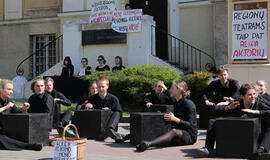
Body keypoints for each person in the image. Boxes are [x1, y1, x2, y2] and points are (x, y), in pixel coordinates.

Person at [197, 83, 270, 157]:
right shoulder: (237, 103)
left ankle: (262, 149)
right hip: (238, 134)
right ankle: (209, 149)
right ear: (242, 96)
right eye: (249, 95)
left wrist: (257, 112)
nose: (253, 97)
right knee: (212, 122)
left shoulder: (258, 103)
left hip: (255, 135)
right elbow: (215, 111)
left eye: (254, 94)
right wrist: (228, 108)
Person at [136, 81, 198, 152]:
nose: (170, 90)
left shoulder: (189, 104)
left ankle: (149, 144)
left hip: (189, 136)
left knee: (174, 132)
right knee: (160, 127)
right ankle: (138, 141)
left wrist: (175, 119)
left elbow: (191, 125)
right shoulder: (175, 103)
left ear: (179, 90)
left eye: (172, 88)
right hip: (177, 130)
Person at [0, 79, 42, 151]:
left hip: (5, 130)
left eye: (12, 89)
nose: (11, 92)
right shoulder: (8, 104)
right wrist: (6, 107)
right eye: (9, 89)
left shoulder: (9, 101)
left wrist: (25, 108)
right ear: (1, 90)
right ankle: (28, 146)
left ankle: (28, 145)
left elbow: (19, 111)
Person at [85, 76, 123, 142]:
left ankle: (110, 130)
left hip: (110, 124)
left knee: (117, 112)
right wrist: (88, 105)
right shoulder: (92, 98)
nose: (101, 89)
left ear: (107, 86)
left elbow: (119, 114)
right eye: (99, 87)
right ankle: (112, 135)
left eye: (103, 87)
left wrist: (109, 111)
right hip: (97, 126)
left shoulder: (113, 99)